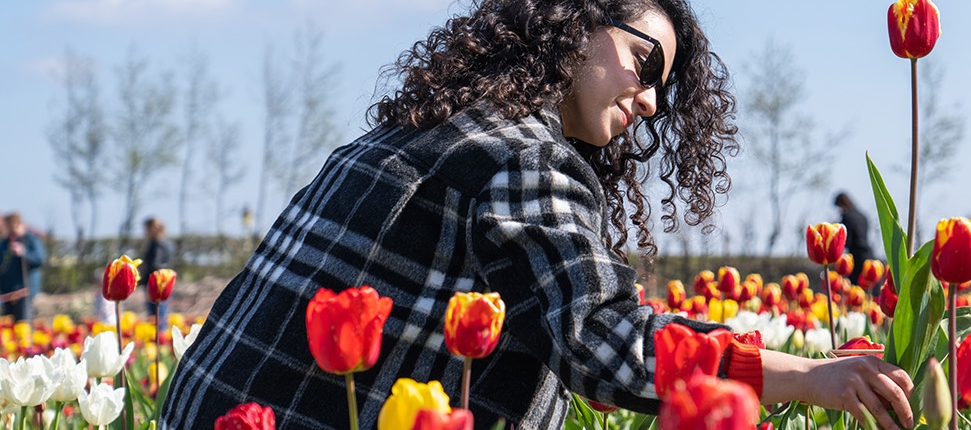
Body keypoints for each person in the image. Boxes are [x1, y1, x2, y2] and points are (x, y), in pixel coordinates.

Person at [161, 1, 914, 428]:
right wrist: (812, 378)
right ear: (575, 19)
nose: (652, 100)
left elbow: (579, 307)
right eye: (646, 63)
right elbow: (602, 340)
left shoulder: (424, 128)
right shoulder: (523, 156)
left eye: (665, 90)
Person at [0, 213, 44, 323]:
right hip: (7, 293)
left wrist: (24, 253)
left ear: (17, 225)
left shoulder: (32, 240)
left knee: (23, 325)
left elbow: (39, 260)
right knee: (8, 326)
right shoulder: (5, 243)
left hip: (25, 292)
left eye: (9, 227)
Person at [139, 217, 175, 329]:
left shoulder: (156, 244)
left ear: (153, 228)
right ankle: (161, 338)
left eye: (147, 229)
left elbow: (154, 264)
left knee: (157, 315)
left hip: (156, 283)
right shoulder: (168, 244)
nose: (145, 232)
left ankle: (159, 339)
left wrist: (143, 273)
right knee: (161, 313)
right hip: (166, 281)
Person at [835, 192, 875, 286]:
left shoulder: (847, 218)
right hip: (868, 254)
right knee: (870, 290)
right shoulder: (862, 216)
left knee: (856, 287)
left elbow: (846, 241)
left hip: (855, 258)